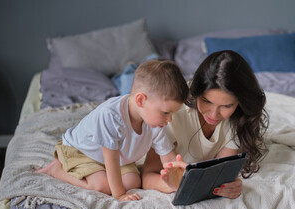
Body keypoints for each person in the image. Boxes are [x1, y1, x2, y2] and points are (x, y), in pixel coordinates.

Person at [36, 59, 189, 201]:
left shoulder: (155, 122)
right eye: (166, 113)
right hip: (82, 151)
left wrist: (183, 174)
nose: (169, 120)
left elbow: (168, 159)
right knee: (102, 186)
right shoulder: (111, 116)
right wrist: (119, 194)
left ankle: (98, 175)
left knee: (134, 181)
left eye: (172, 114)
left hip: (117, 157)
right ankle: (56, 170)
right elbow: (111, 160)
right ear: (141, 100)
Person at [142, 50, 269, 199]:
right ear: (196, 92)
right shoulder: (172, 115)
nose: (214, 115)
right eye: (206, 101)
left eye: (226, 106)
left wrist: (231, 185)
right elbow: (147, 178)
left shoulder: (238, 118)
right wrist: (176, 184)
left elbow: (219, 172)